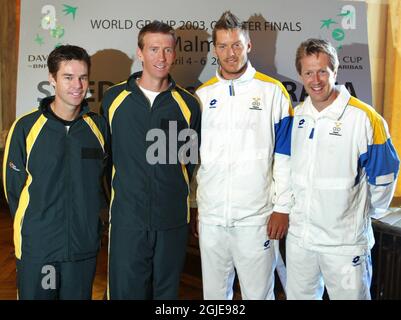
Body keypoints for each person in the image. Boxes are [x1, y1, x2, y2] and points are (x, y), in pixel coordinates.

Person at [286, 38, 400, 300]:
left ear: (335, 72)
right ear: (300, 75)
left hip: (345, 245)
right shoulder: (297, 116)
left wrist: (358, 215)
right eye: (308, 72)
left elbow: (384, 177)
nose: (316, 80)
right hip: (301, 240)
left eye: (322, 71)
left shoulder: (365, 118)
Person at [191, 11, 293, 300]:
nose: (230, 53)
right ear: (214, 50)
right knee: (214, 296)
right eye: (222, 46)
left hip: (256, 219)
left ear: (248, 45)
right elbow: (199, 160)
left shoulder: (273, 92)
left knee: (258, 295)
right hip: (212, 220)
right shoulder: (201, 95)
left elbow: (286, 156)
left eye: (236, 45)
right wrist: (199, 207)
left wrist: (282, 207)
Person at [101, 21, 201, 300]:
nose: (161, 57)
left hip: (171, 221)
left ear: (175, 54)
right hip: (127, 220)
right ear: (140, 53)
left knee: (166, 295)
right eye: (154, 49)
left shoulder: (188, 104)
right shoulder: (114, 99)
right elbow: (104, 159)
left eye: (167, 50)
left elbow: (190, 164)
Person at [2, 45, 109, 300]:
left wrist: (93, 224)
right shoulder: (26, 128)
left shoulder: (99, 127)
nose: (77, 85)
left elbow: (105, 183)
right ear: (52, 79)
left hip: (82, 248)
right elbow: (13, 189)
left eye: (83, 77)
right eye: (68, 77)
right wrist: (39, 227)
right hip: (38, 249)